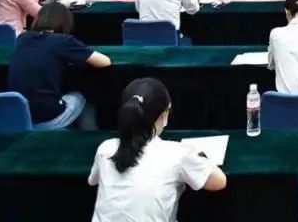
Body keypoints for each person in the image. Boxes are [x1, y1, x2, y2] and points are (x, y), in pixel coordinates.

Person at [89, 77, 226, 221]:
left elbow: (93, 181)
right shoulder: (177, 154)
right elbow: (219, 182)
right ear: (163, 115)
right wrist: (197, 154)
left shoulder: (105, 148)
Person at [8, 2, 110, 130]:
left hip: (20, 119)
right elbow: (104, 61)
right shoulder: (63, 41)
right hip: (47, 120)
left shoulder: (22, 39)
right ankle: (89, 138)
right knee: (84, 97)